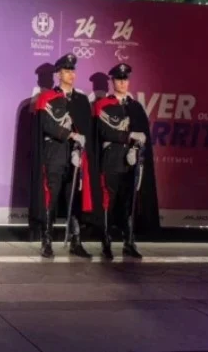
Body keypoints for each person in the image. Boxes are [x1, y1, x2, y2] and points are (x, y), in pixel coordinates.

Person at [30, 54, 94, 259]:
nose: (71, 75)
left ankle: (76, 240)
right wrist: (70, 135)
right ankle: (46, 240)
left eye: (73, 71)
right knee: (52, 196)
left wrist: (80, 146)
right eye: (66, 71)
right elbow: (46, 126)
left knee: (75, 197)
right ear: (58, 74)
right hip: (55, 154)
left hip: (77, 157)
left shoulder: (82, 100)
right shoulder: (47, 98)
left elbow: (87, 130)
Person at [93, 63, 151, 260]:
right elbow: (104, 131)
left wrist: (135, 148)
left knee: (129, 202)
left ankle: (129, 241)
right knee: (108, 201)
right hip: (112, 158)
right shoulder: (103, 104)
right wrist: (128, 138)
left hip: (132, 161)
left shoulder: (135, 106)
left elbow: (144, 134)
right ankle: (106, 242)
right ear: (112, 82)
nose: (123, 83)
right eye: (119, 79)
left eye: (125, 79)